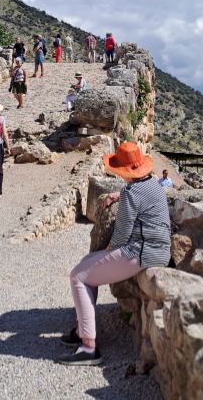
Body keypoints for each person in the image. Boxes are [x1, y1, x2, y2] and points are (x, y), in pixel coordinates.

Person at [57, 142, 171, 366]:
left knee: (78, 276)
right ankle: (82, 329)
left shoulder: (131, 191)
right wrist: (119, 196)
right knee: (86, 263)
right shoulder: (154, 183)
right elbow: (141, 199)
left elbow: (122, 234)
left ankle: (88, 347)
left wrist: (108, 250)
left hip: (141, 251)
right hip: (158, 249)